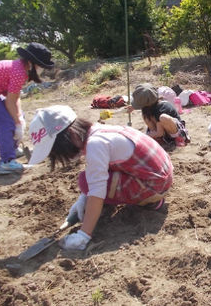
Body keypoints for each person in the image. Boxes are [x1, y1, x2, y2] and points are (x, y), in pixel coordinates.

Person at [28, 105, 173, 251]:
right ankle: (144, 198)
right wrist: (83, 198)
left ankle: (149, 200)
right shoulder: (99, 131)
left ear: (70, 134)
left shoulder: (95, 144)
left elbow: (97, 190)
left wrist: (83, 235)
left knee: (86, 183)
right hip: (160, 175)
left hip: (154, 185)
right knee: (89, 184)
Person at [0, 42, 54, 174]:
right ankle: (7, 162)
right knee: (7, 123)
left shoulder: (21, 69)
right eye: (40, 65)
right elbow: (10, 102)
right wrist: (17, 123)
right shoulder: (19, 72)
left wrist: (19, 118)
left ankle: (13, 149)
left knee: (19, 116)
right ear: (31, 63)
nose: (41, 69)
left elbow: (15, 97)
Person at [127, 83, 190, 148]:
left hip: (173, 130)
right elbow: (144, 106)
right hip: (161, 130)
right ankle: (159, 139)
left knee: (163, 117)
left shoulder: (163, 108)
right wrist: (133, 107)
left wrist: (143, 136)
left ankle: (178, 138)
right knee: (145, 115)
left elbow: (160, 132)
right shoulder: (150, 105)